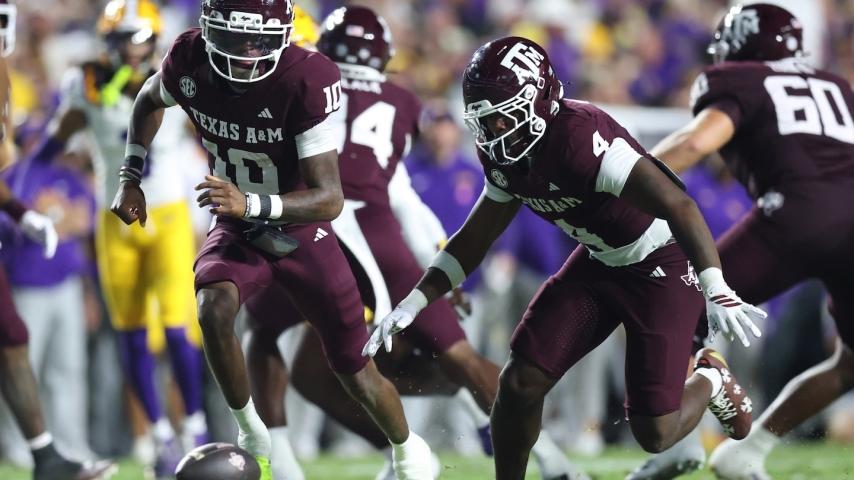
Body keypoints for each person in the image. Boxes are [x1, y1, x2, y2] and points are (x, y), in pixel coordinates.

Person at [364, 36, 766, 480]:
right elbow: (475, 237)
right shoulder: (505, 155)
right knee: (519, 382)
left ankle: (710, 376)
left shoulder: (581, 136)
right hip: (598, 261)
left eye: (503, 116)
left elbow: (679, 205)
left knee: (654, 430)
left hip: (660, 264)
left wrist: (714, 285)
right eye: (485, 120)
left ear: (538, 100)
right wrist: (416, 300)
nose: (494, 131)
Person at [240, 7, 586, 480]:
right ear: (382, 55)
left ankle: (288, 463)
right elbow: (401, 195)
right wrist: (438, 268)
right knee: (457, 355)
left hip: (313, 229)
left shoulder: (302, 82)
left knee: (266, 333)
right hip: (379, 233)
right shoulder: (401, 100)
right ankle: (552, 461)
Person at [110, 1, 434, 479]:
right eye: (232, 37)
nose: (244, 52)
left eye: (257, 40)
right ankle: (251, 431)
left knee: (354, 367)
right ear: (208, 30)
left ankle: (408, 452)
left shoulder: (305, 77)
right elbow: (148, 99)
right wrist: (130, 175)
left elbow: (328, 198)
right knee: (212, 308)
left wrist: (249, 203)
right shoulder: (189, 58)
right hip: (237, 222)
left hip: (301, 228)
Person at [628, 4, 854, 480]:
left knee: (680, 306)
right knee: (850, 362)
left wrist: (618, 182)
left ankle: (676, 445)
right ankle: (748, 452)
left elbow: (696, 142)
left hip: (797, 212)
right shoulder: (835, 85)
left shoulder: (740, 80)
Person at [30, 1, 208, 475]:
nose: (128, 48)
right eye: (119, 37)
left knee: (177, 327)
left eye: (136, 37)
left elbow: (211, 133)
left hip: (167, 214)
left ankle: (194, 426)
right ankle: (159, 435)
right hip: (115, 221)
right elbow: (56, 139)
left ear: (153, 38)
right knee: (130, 332)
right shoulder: (86, 82)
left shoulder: (177, 77)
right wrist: (22, 176)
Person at [0, 1, 114, 478]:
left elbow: (81, 219)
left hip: (60, 279)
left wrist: (25, 215)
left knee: (20, 341)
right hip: (28, 279)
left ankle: (50, 454)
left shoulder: (5, 77)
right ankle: (35, 452)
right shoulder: (24, 166)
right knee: (18, 342)